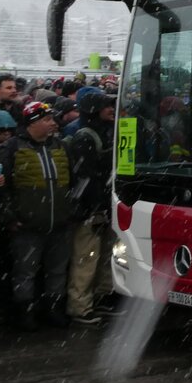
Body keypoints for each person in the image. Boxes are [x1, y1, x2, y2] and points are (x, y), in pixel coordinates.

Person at [0, 101, 74, 331]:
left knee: (57, 271)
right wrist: (9, 216)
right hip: (27, 225)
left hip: (59, 222)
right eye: (47, 119)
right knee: (25, 272)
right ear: (33, 122)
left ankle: (53, 310)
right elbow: (1, 187)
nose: (53, 123)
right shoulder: (12, 148)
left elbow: (72, 179)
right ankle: (25, 315)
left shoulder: (59, 146)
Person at [66, 90, 118, 326]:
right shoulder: (86, 137)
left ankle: (98, 299)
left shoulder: (100, 133)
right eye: (106, 105)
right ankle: (80, 306)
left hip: (103, 207)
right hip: (92, 210)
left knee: (102, 257)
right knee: (86, 259)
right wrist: (95, 207)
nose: (111, 109)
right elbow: (86, 178)